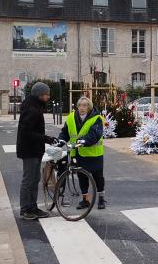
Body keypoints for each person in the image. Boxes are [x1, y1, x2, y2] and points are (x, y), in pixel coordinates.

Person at [58, 96, 106, 209]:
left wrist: (84, 140)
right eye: (79, 105)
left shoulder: (96, 118)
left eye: (85, 105)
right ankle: (85, 200)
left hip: (94, 154)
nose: (82, 108)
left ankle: (101, 199)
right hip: (78, 154)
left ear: (89, 107)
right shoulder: (70, 118)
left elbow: (95, 134)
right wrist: (60, 141)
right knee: (82, 177)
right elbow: (65, 133)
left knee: (98, 177)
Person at [16, 81, 55, 220]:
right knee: (29, 180)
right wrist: (47, 139)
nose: (48, 97)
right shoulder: (31, 109)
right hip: (29, 150)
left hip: (34, 149)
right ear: (40, 94)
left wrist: (45, 140)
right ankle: (25, 209)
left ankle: (32, 206)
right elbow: (27, 132)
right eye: (47, 94)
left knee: (35, 179)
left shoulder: (35, 106)